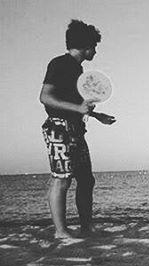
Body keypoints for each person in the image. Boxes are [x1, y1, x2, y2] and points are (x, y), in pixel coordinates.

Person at [39, 19, 116, 239]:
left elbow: (75, 105)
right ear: (87, 46)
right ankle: (61, 232)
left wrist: (95, 115)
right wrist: (78, 107)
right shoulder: (59, 64)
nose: (96, 51)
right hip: (58, 128)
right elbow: (45, 97)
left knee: (86, 179)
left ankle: (86, 226)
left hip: (74, 128)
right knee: (61, 178)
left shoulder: (77, 69)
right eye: (95, 46)